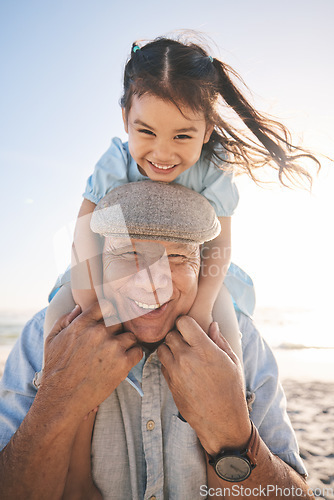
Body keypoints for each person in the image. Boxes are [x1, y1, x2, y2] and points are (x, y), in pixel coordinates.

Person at [0, 182, 315, 499]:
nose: (153, 283)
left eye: (179, 256)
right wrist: (57, 400)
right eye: (130, 253)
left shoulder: (241, 341)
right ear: (98, 264)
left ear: (202, 268)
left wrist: (232, 430)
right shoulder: (46, 335)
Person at [44, 33, 320, 369]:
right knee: (62, 305)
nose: (162, 153)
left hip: (193, 272)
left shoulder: (213, 166)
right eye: (146, 132)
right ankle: (51, 374)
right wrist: (92, 299)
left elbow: (220, 244)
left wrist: (203, 307)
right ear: (125, 120)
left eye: (182, 136)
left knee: (223, 316)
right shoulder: (116, 160)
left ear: (206, 131)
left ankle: (232, 380)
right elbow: (84, 233)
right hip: (115, 264)